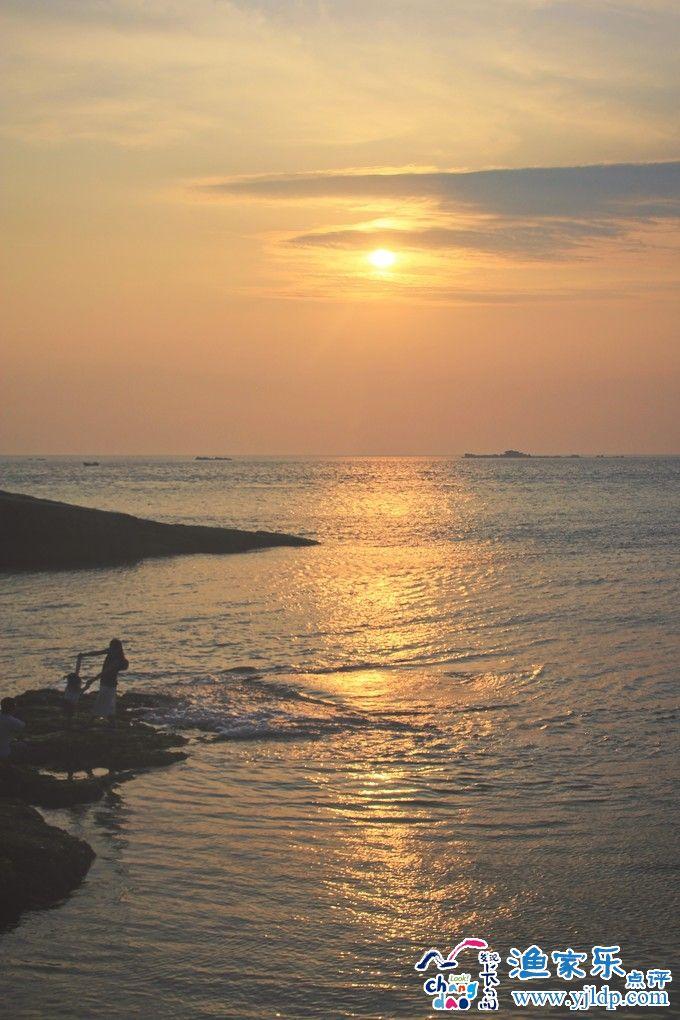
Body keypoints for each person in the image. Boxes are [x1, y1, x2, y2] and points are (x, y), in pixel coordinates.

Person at [79, 639, 129, 727]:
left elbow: (105, 671)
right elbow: (97, 653)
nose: (110, 649)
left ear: (117, 649)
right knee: (106, 704)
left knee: (103, 703)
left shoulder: (117, 660)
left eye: (112, 647)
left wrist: (93, 679)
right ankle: (111, 725)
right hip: (105, 683)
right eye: (110, 647)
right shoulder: (110, 652)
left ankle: (91, 723)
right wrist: (84, 654)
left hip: (110, 684)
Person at [0, 697, 26, 761]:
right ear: (13, 708)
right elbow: (23, 727)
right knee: (22, 745)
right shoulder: (13, 721)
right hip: (4, 753)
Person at [63, 659, 83, 728]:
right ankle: (69, 724)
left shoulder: (69, 687)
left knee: (69, 714)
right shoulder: (75, 688)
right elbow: (81, 690)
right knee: (70, 714)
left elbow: (76, 672)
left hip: (67, 702)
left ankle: (68, 723)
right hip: (70, 703)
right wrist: (86, 687)